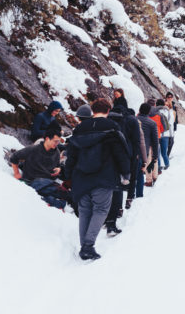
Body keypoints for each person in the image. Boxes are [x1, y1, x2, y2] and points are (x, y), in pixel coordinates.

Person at [65, 98, 131, 261]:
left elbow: (71, 155)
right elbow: (120, 153)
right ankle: (88, 246)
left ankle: (84, 246)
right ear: (108, 111)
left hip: (82, 177)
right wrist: (126, 173)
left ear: (92, 111)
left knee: (85, 211)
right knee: (101, 210)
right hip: (104, 175)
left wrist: (68, 175)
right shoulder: (112, 128)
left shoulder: (79, 129)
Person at [10, 121, 70, 209]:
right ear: (47, 139)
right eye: (55, 141)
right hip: (32, 180)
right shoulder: (34, 149)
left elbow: (56, 167)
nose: (57, 144)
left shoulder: (56, 152)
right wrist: (16, 173)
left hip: (47, 181)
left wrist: (58, 169)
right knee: (54, 194)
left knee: (67, 196)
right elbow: (14, 157)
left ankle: (51, 201)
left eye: (58, 142)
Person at [104, 104, 145, 231]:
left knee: (109, 185)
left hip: (108, 155)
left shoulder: (107, 119)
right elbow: (137, 141)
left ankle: (107, 215)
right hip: (126, 154)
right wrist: (135, 158)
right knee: (121, 184)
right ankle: (118, 212)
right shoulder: (132, 120)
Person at [137, 103, 159, 188]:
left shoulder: (135, 119)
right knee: (149, 162)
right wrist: (156, 154)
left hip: (135, 145)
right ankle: (150, 180)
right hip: (147, 146)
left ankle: (148, 180)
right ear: (149, 112)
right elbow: (155, 139)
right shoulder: (152, 123)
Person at [156, 99, 173, 170]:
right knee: (164, 152)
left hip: (158, 134)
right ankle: (167, 164)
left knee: (157, 153)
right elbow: (170, 124)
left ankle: (159, 166)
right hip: (166, 135)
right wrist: (171, 136)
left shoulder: (155, 112)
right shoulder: (168, 112)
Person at [165, 92, 178, 156]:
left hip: (172, 125)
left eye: (171, 97)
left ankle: (167, 155)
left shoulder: (174, 105)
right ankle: (165, 156)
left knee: (171, 142)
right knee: (168, 141)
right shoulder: (165, 104)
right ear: (166, 98)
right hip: (167, 126)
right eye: (168, 97)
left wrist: (175, 125)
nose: (170, 98)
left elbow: (175, 116)